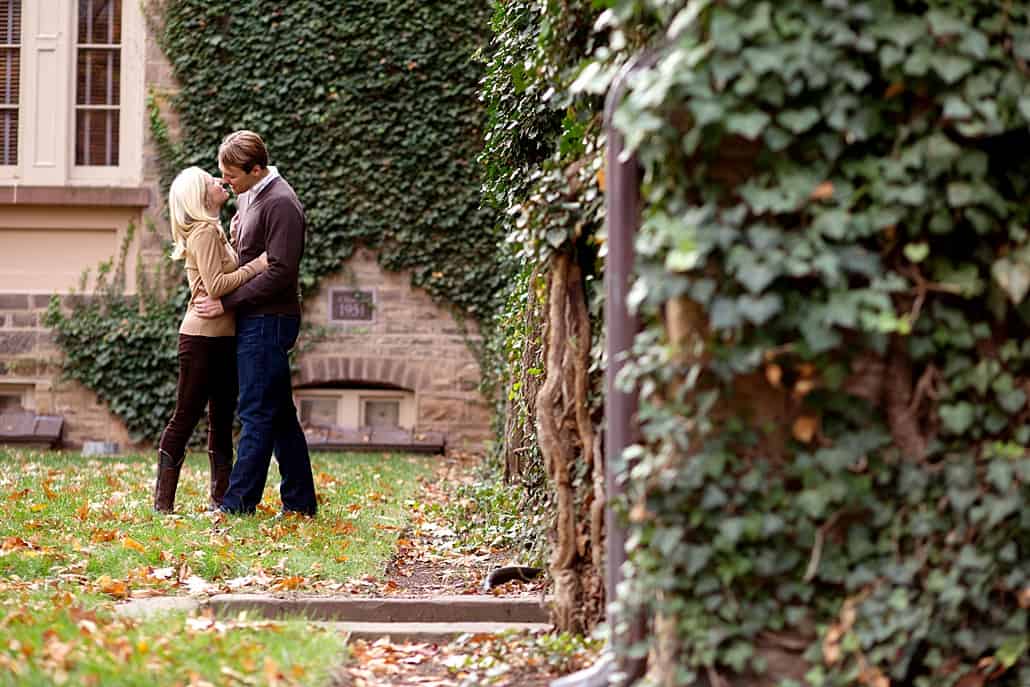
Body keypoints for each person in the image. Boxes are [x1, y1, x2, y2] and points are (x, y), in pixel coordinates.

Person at [194, 130, 318, 517]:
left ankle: (238, 504)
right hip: (255, 318)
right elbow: (251, 257)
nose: (226, 182)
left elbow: (280, 271)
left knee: (255, 412)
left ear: (257, 168)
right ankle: (299, 502)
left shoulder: (281, 202)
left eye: (231, 175)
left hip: (270, 320)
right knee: (278, 413)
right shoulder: (251, 195)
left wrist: (226, 300)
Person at [153, 166, 268, 513]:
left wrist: (234, 242)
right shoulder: (202, 231)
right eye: (211, 181)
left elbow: (219, 277)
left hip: (223, 337)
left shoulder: (213, 230)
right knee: (186, 416)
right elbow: (216, 286)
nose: (220, 182)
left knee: (221, 419)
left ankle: (221, 500)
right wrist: (258, 265)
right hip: (201, 338)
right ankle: (163, 503)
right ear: (200, 196)